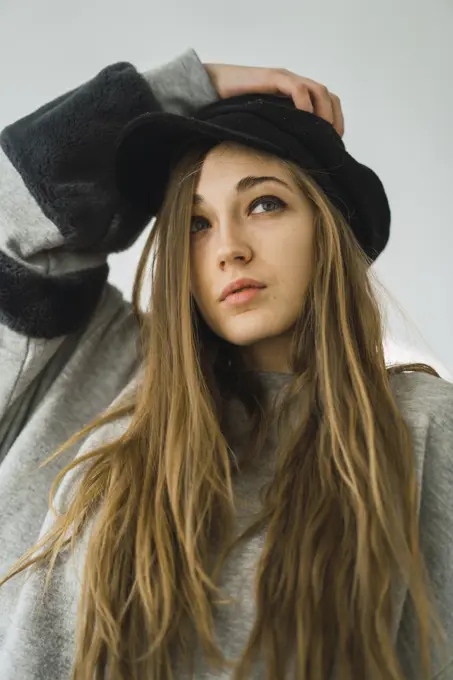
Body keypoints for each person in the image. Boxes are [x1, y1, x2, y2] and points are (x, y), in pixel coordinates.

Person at [0, 46, 451, 680]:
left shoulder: (420, 426)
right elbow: (10, 215)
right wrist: (191, 85)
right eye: (195, 223)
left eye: (264, 204)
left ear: (330, 227)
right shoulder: (96, 365)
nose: (228, 249)